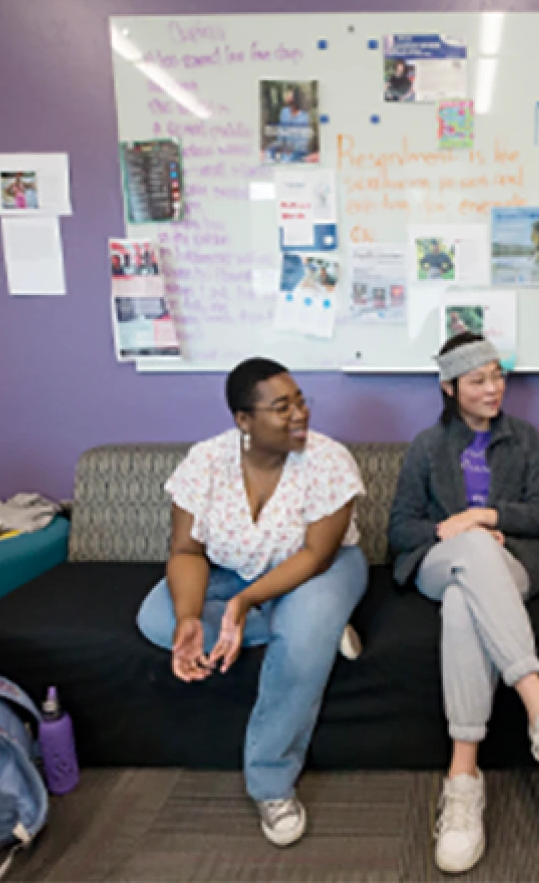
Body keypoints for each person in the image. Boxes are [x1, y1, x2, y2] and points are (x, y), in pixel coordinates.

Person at [389, 332, 539, 874]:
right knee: (468, 560)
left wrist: (484, 518)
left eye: (498, 375)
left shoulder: (526, 439)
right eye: (478, 380)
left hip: (510, 561)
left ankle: (463, 782)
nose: (493, 388)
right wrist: (456, 533)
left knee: (467, 599)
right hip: (440, 562)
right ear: (449, 387)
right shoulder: (425, 447)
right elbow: (400, 529)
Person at [136, 358, 368, 849]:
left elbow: (315, 555)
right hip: (229, 568)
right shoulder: (204, 462)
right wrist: (188, 618)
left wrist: (243, 604)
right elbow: (186, 552)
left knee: (302, 641)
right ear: (244, 420)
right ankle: (318, 628)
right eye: (281, 408)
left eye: (300, 400)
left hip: (320, 569)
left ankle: (271, 782)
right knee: (156, 616)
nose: (299, 414)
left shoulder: (328, 459)